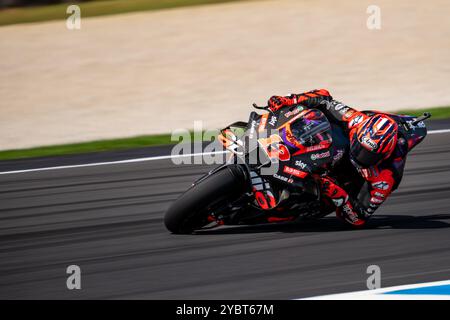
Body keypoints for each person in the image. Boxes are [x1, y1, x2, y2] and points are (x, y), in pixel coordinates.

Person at [267, 89, 407, 226]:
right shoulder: (356, 120)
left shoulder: (385, 179)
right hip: (330, 146)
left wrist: (340, 196)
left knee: (309, 198)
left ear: (385, 154)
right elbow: (324, 97)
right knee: (306, 119)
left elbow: (358, 218)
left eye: (370, 156)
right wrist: (290, 99)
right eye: (361, 148)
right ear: (359, 134)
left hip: (339, 182)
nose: (362, 157)